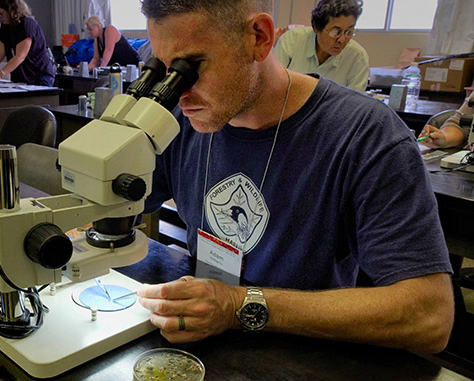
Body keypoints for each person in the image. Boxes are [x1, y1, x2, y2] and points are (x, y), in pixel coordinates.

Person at [138, 0, 454, 354]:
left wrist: (237, 305)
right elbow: (116, 210)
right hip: (204, 342)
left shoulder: (365, 135)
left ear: (259, 37)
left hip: (310, 355)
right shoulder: (182, 121)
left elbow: (430, 316)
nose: (178, 94)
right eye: (166, 71)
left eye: (192, 66)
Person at [274, 0, 369, 92]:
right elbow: (274, 84)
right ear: (316, 28)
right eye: (335, 32)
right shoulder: (292, 41)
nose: (342, 40)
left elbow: (353, 103)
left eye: (349, 32)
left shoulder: (357, 57)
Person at [0, 0, 54, 87]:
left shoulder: (27, 24)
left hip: (38, 75)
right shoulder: (5, 27)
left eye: (1, 14)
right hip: (21, 76)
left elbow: (20, 56)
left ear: (12, 11)